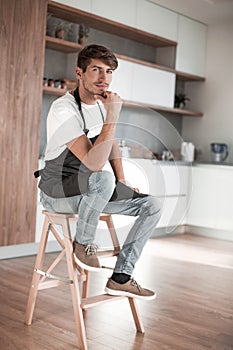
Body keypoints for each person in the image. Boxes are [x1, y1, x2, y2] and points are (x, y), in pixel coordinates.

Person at [37, 44, 161, 300]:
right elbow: (94, 164)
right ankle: (83, 245)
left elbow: (111, 142)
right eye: (96, 70)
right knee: (102, 177)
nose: (104, 78)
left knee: (153, 205)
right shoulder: (64, 109)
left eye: (109, 71)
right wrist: (113, 116)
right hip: (57, 191)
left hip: (89, 191)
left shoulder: (101, 106)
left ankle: (121, 277)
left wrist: (123, 179)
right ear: (79, 73)